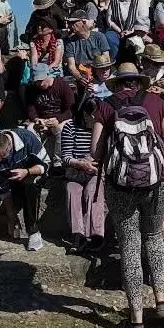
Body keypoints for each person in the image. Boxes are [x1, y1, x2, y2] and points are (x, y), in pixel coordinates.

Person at [91, 63, 164, 328]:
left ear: (117, 83)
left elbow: (96, 151)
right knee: (153, 237)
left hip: (121, 185)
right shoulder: (156, 101)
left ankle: (137, 317)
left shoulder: (106, 106)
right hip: (157, 181)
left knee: (129, 245)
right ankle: (161, 299)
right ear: (139, 82)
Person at [60, 91, 105, 254]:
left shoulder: (102, 127)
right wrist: (79, 163)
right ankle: (78, 234)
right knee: (73, 190)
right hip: (75, 170)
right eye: (90, 116)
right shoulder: (70, 127)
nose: (93, 120)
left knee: (93, 191)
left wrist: (94, 164)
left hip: (96, 170)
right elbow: (65, 156)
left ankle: (95, 234)